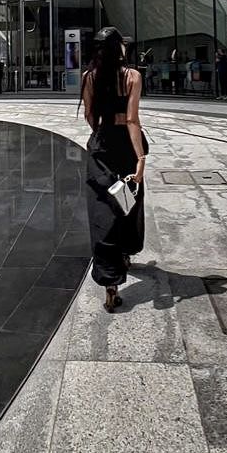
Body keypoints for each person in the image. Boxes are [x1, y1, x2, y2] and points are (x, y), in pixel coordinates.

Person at [81, 26, 148, 312]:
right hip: (126, 144)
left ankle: (110, 282)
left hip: (102, 144)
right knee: (129, 200)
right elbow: (133, 120)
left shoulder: (90, 77)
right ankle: (125, 251)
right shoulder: (133, 76)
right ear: (119, 47)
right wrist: (140, 158)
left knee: (104, 207)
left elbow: (89, 115)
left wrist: (100, 135)